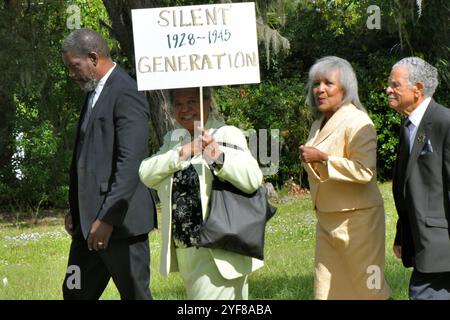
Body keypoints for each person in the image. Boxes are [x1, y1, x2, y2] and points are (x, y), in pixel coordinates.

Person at [139, 87, 263, 299]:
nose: (184, 108)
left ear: (208, 102)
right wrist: (184, 152)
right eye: (178, 103)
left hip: (218, 248)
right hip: (186, 249)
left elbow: (253, 179)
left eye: (192, 101)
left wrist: (217, 157)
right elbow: (146, 173)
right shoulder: (174, 140)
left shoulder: (226, 133)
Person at [61, 28, 156, 300]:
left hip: (121, 226)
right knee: (74, 291)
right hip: (86, 228)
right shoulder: (92, 92)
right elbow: (86, 157)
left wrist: (107, 219)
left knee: (136, 295)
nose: (71, 73)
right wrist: (75, 209)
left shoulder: (126, 92)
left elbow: (130, 162)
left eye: (74, 66)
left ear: (93, 57)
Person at [299, 56, 391, 299]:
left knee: (368, 289)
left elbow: (365, 171)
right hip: (327, 219)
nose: (320, 90)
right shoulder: (318, 123)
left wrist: (324, 159)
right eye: (316, 83)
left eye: (328, 83)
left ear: (346, 88)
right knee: (326, 289)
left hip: (357, 221)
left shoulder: (359, 122)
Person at [388, 57, 450, 300]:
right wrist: (403, 236)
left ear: (418, 89)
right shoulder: (408, 126)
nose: (388, 89)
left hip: (441, 246)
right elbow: (407, 187)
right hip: (422, 244)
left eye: (395, 84)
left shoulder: (445, 122)